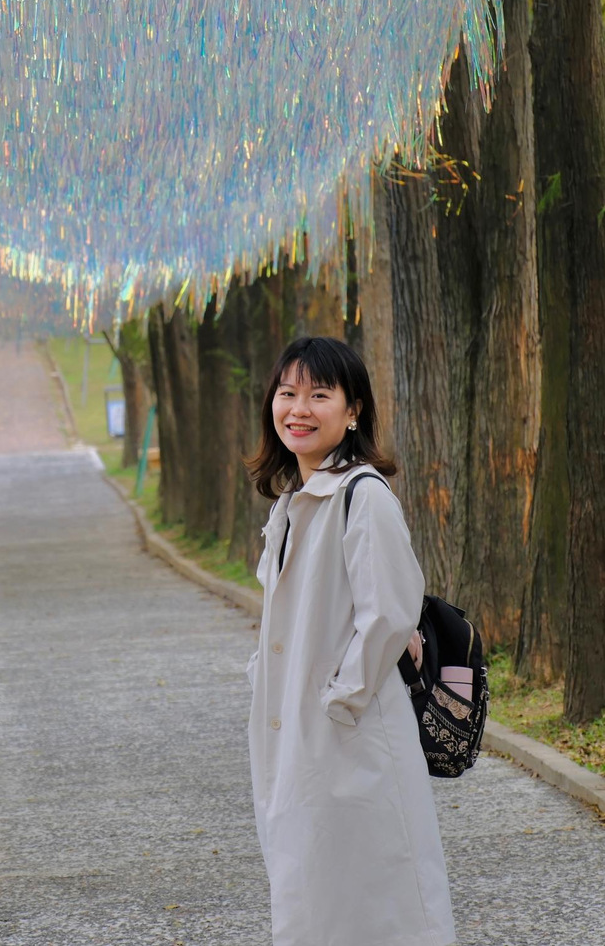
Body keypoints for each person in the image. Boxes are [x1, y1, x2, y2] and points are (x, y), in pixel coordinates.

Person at [246, 335, 456, 946]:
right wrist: (265, 679)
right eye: (287, 393)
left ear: (353, 410)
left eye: (319, 395)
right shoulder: (292, 502)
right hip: (299, 730)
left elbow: (389, 613)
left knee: (376, 901)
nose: (298, 409)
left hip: (351, 732)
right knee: (315, 893)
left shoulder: (363, 496)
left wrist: (342, 698)